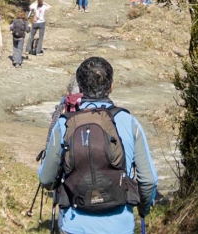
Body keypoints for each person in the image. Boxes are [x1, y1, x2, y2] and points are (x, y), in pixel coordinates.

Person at [38, 56, 158, 233]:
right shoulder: (129, 122)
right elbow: (149, 180)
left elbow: (46, 179)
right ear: (111, 86)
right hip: (120, 226)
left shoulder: (64, 124)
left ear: (80, 88)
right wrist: (143, 209)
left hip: (74, 226)